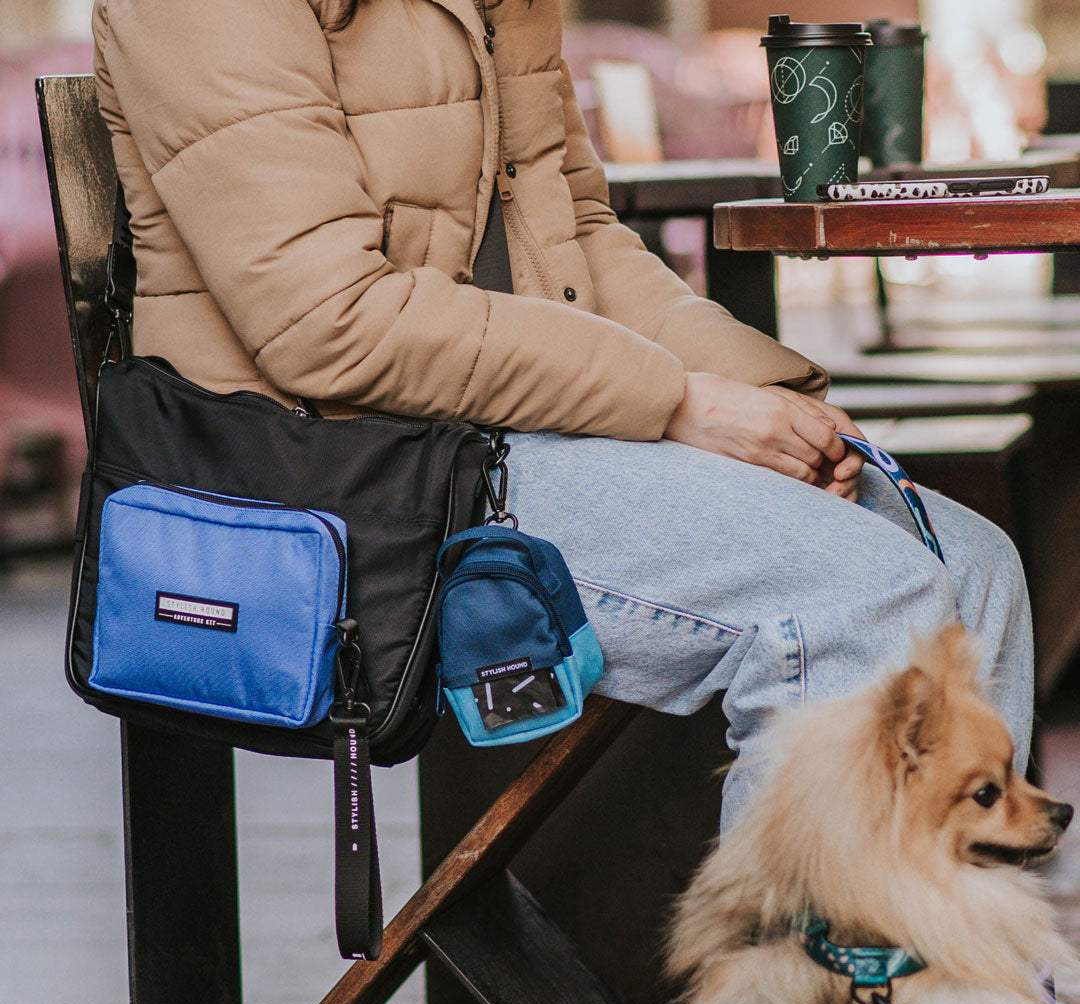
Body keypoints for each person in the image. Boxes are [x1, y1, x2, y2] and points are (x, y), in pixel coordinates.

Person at [91, 0, 1032, 825]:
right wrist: (677, 403)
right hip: (322, 471)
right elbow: (329, 324)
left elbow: (577, 239)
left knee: (976, 566)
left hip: (507, 430)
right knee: (857, 595)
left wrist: (773, 402)